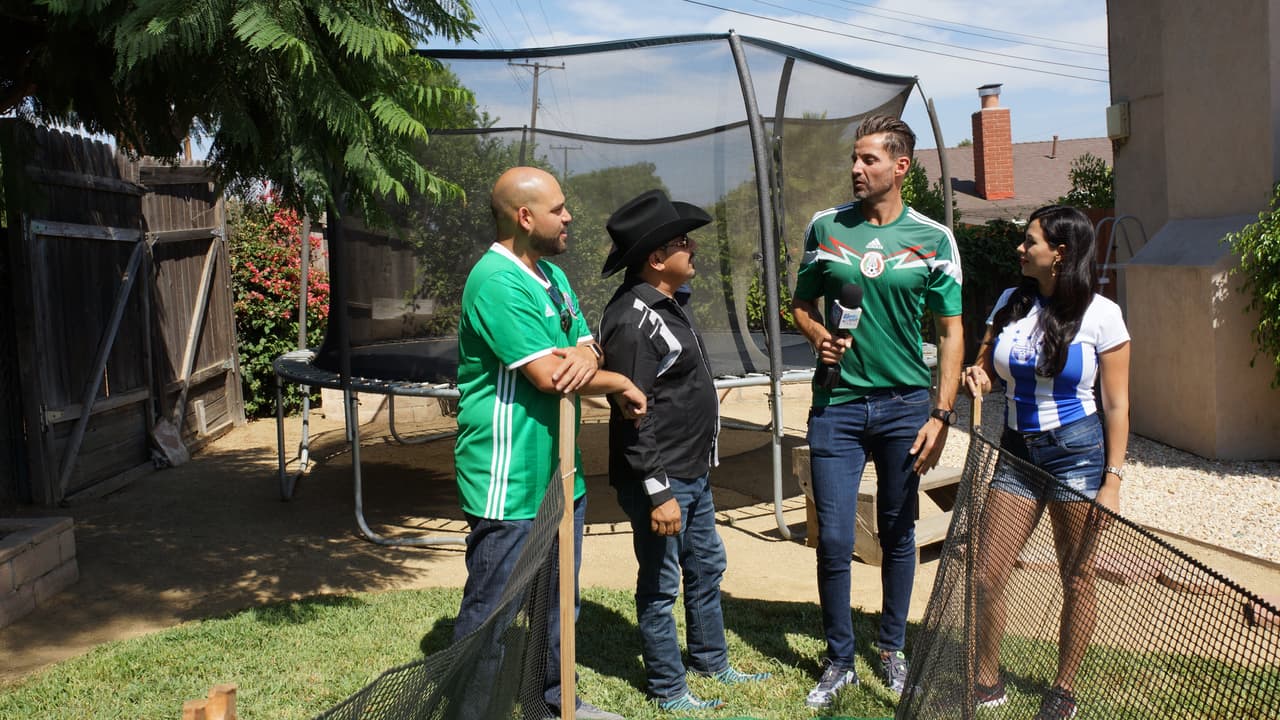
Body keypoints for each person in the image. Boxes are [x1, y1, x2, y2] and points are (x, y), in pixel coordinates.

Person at [452, 166, 646, 720]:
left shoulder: (553, 279)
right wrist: (619, 382)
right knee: (492, 613)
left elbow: (586, 352)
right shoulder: (495, 281)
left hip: (563, 473)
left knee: (560, 604)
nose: (569, 218)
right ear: (525, 216)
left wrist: (584, 360)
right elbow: (548, 376)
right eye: (559, 209)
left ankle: (553, 703)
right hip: (507, 480)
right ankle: (472, 710)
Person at [790, 115, 964, 709]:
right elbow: (800, 303)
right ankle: (839, 659)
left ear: (901, 167)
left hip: (905, 408)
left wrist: (941, 413)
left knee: (897, 530)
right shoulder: (825, 228)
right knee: (834, 537)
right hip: (835, 407)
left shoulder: (935, 239)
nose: (857, 169)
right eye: (855, 159)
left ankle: (892, 647)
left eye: (869, 159)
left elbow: (950, 330)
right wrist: (817, 336)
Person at [597, 190, 772, 713]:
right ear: (656, 259)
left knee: (706, 566)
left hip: (691, 473)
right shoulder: (634, 320)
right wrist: (659, 494)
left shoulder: (670, 306)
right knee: (660, 584)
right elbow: (633, 419)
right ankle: (670, 690)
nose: (693, 248)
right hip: (662, 481)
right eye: (682, 241)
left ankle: (711, 661)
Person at [962, 204, 1130, 720]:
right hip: (1015, 451)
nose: (1019, 247)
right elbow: (984, 361)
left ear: (1058, 253)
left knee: (1076, 577)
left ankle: (1063, 691)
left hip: (1076, 453)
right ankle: (988, 683)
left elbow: (1117, 405)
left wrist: (1113, 481)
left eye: (1028, 240)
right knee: (986, 573)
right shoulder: (1011, 301)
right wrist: (980, 377)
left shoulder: (1102, 314)